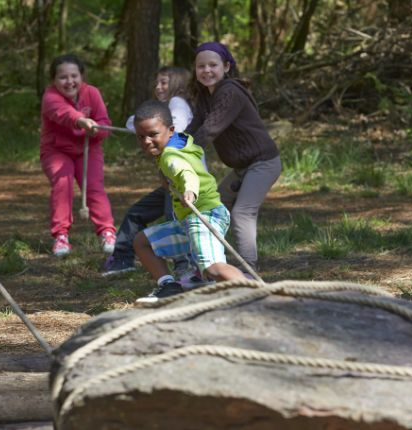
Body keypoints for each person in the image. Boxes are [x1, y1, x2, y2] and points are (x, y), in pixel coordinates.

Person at [132, 100, 244, 303]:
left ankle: (254, 293)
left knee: (213, 267)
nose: (147, 141)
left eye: (153, 134)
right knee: (143, 242)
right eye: (141, 136)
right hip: (189, 222)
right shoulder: (179, 142)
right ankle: (169, 286)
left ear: (170, 130)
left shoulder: (170, 156)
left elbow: (185, 172)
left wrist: (190, 190)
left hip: (204, 217)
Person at [186, 41, 282, 276]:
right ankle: (209, 263)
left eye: (213, 65)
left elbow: (209, 130)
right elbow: (193, 129)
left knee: (242, 212)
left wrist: (180, 155)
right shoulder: (205, 96)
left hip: (263, 163)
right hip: (241, 168)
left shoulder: (229, 92)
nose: (207, 70)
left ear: (226, 66)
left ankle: (249, 268)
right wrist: (171, 145)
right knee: (213, 208)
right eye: (201, 66)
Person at [102, 67, 199, 281]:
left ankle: (187, 269)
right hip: (171, 182)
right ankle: (122, 259)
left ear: (178, 84)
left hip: (185, 183)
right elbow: (134, 122)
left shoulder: (178, 105)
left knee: (176, 221)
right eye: (157, 83)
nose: (158, 87)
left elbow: (178, 128)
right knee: (137, 213)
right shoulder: (163, 110)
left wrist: (156, 125)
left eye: (164, 82)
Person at [40, 54, 117, 257]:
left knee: (94, 187)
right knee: (62, 184)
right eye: (63, 77)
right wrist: (82, 121)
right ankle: (61, 235)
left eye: (74, 76)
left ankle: (107, 231)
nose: (69, 81)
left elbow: (104, 122)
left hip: (88, 149)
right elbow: (63, 113)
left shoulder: (92, 93)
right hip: (57, 151)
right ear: (54, 80)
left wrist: (97, 130)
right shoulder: (50, 97)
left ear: (82, 77)